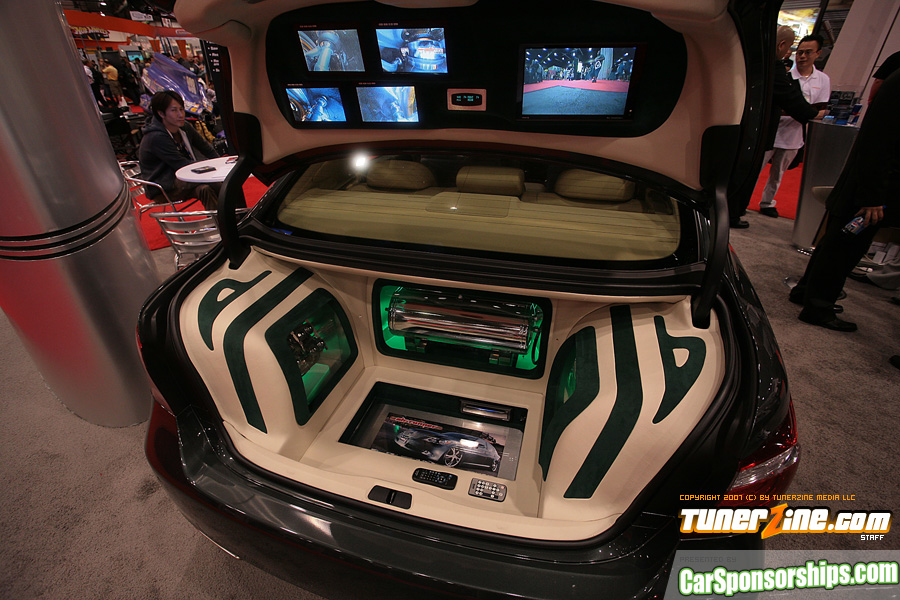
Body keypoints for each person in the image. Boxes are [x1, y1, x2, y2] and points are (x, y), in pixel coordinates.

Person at [788, 69, 900, 331]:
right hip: (869, 190)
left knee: (835, 243)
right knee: (844, 249)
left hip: (866, 185)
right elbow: (878, 144)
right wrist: (872, 196)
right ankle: (819, 305)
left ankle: (807, 292)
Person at [729, 26, 818, 228]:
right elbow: (789, 97)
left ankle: (743, 208)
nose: (792, 53)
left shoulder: (753, 60)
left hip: (755, 129)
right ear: (781, 45)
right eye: (792, 48)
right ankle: (733, 213)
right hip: (757, 132)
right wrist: (813, 114)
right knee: (747, 172)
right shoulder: (773, 67)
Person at [757, 34, 831, 218]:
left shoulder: (823, 80)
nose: (802, 56)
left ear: (818, 54)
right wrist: (804, 110)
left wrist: (805, 112)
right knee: (755, 169)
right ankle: (740, 201)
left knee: (778, 173)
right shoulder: (784, 74)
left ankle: (767, 202)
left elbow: (821, 108)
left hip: (794, 134)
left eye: (808, 52)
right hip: (772, 130)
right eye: (799, 52)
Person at [138, 90, 220, 210]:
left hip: (181, 177)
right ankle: (227, 218)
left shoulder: (184, 127)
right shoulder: (156, 137)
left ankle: (230, 217)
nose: (181, 114)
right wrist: (212, 169)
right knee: (215, 182)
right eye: (174, 110)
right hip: (163, 186)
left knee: (208, 187)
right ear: (161, 113)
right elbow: (180, 164)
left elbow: (207, 149)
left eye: (181, 109)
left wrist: (220, 164)